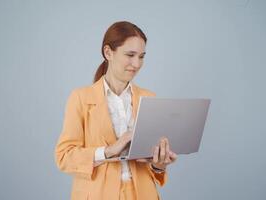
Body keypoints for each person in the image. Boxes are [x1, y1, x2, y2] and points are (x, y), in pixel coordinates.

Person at [55, 21, 177, 200]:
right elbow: (64, 157)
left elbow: (154, 169)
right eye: (130, 55)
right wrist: (108, 151)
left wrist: (159, 164)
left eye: (142, 56)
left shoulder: (149, 98)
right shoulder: (80, 98)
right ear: (108, 52)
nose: (136, 64)